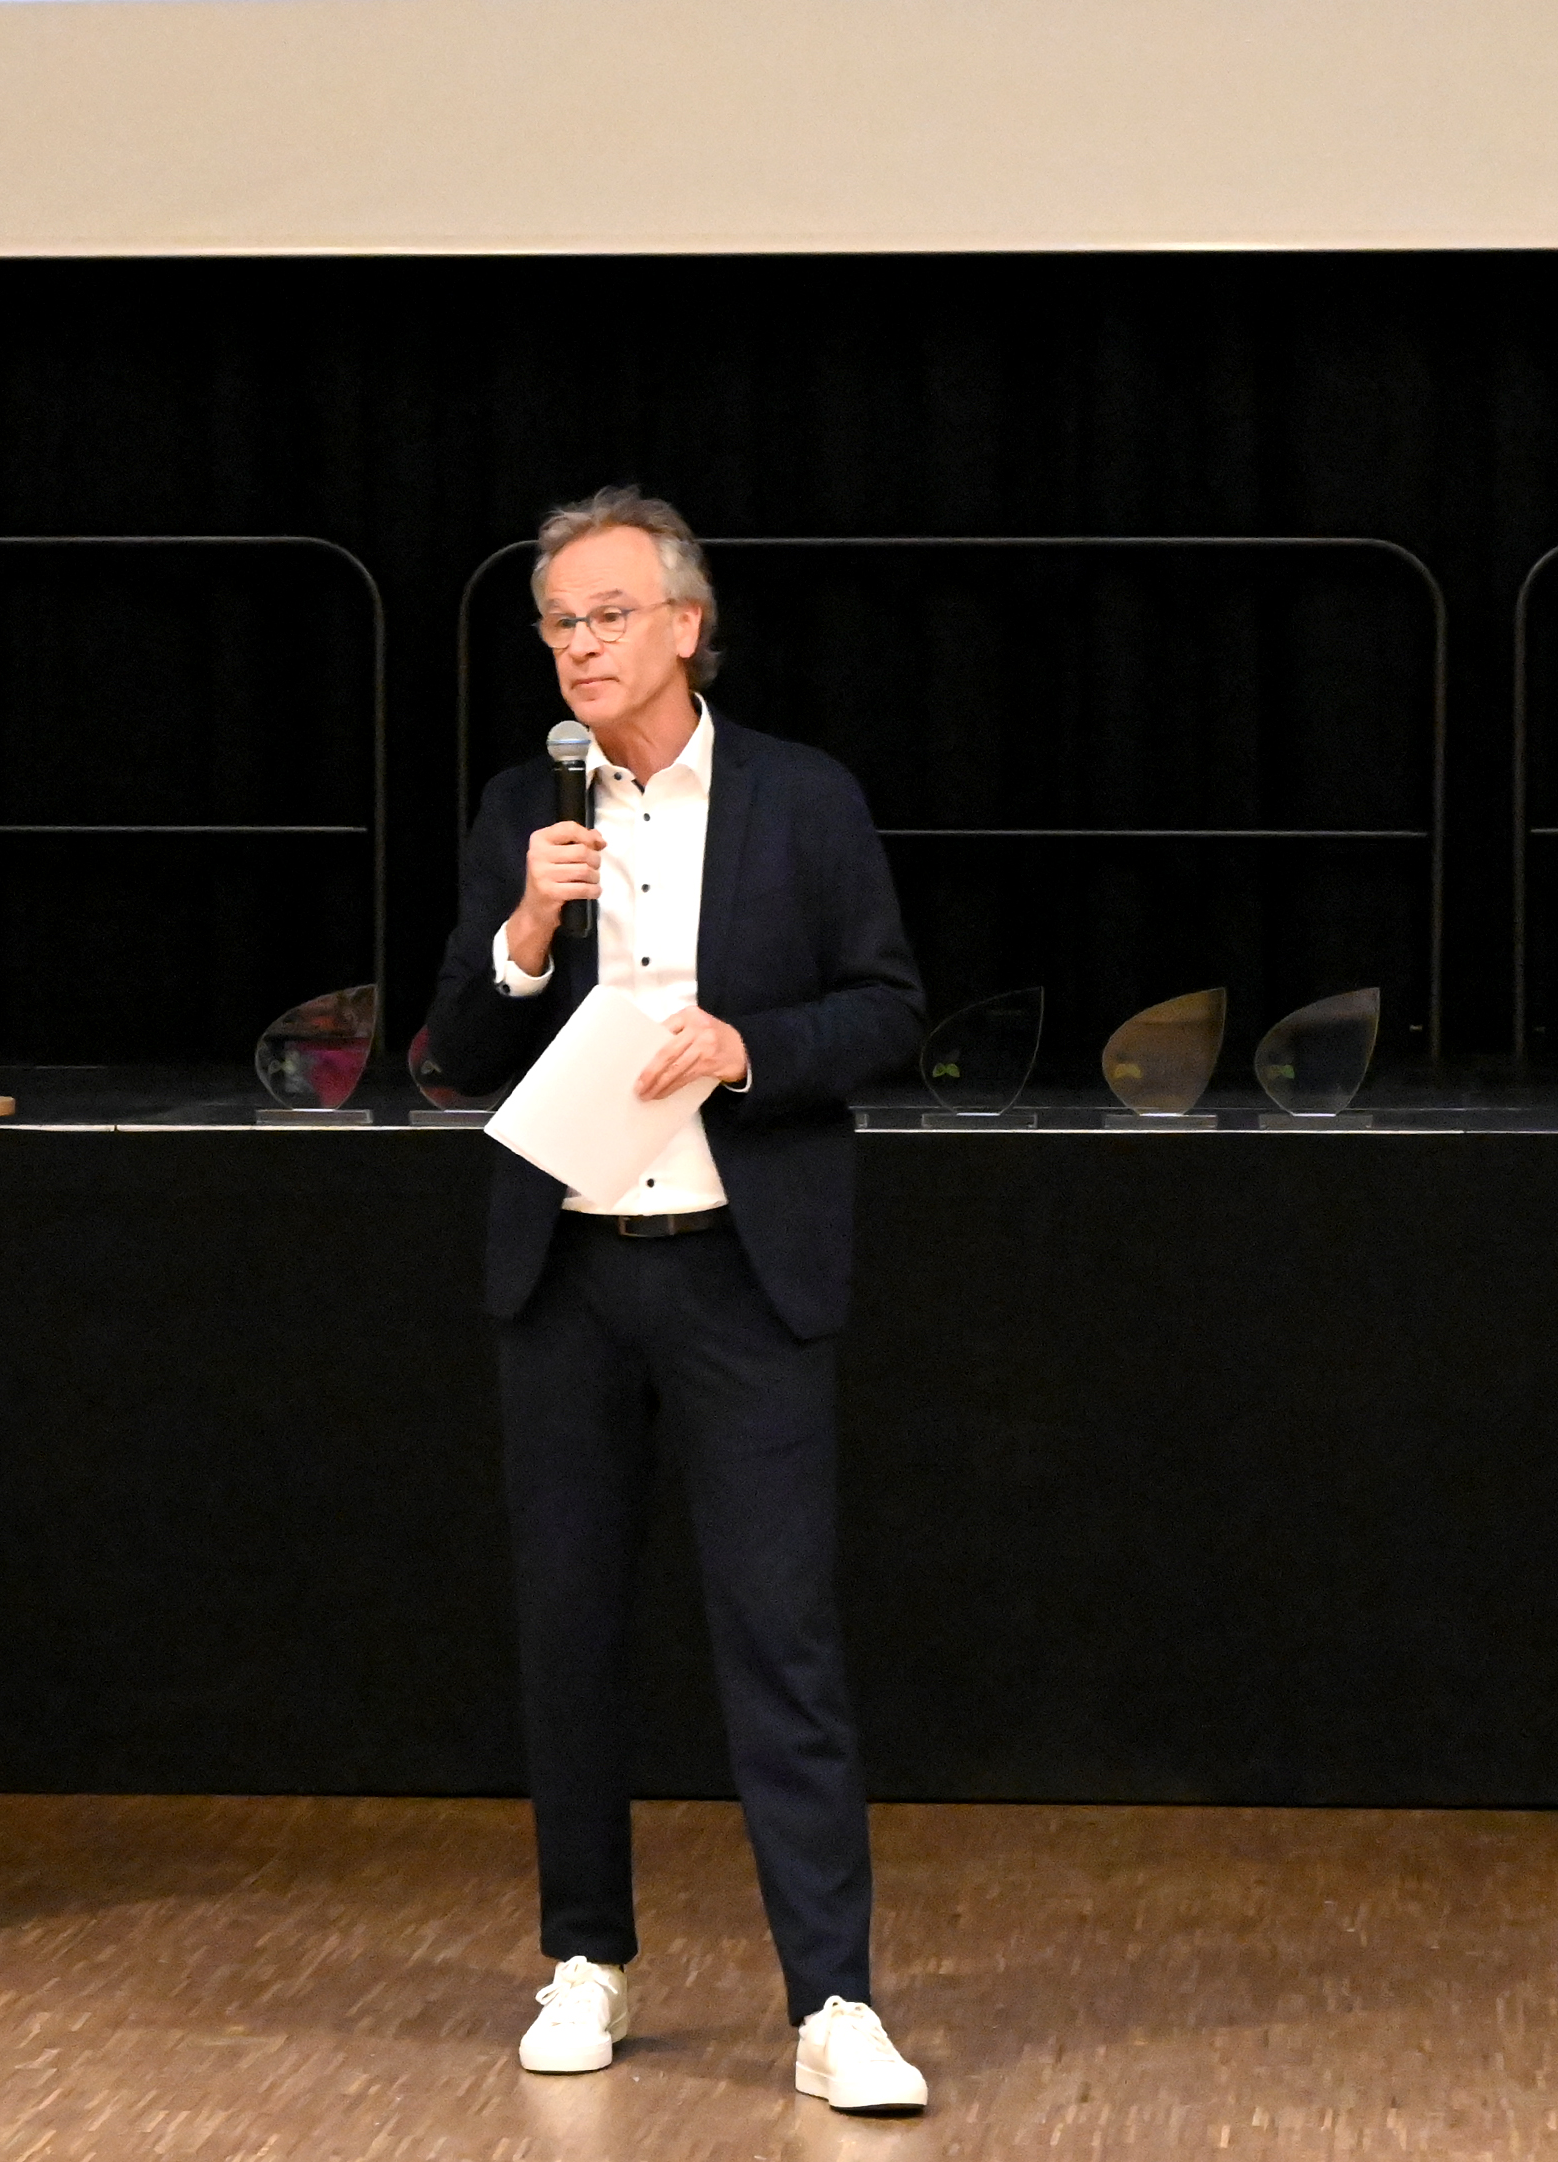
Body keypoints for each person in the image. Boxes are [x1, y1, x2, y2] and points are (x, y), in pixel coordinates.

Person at [426, 487, 931, 2116]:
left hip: (738, 1268)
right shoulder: (526, 806)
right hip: (568, 1270)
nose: (580, 647)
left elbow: (888, 1010)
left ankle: (834, 1998)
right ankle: (587, 1955)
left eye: (608, 615)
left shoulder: (801, 797)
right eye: (558, 624)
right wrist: (524, 927)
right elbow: (458, 1051)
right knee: (570, 1631)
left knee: (781, 1638)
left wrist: (746, 1046)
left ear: (686, 626)